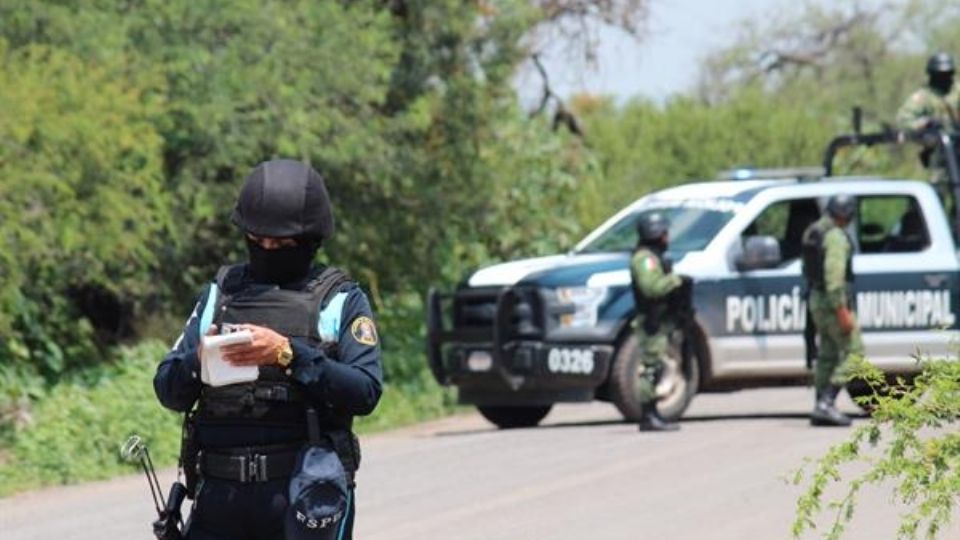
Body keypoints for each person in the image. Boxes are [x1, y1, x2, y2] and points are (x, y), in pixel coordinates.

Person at [154, 159, 383, 540]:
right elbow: (167, 388)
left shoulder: (340, 300)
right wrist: (200, 360)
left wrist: (287, 354)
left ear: (310, 241)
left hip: (303, 498)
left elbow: (364, 391)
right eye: (256, 241)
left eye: (280, 244)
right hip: (219, 501)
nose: (266, 250)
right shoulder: (219, 294)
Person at [800, 194, 863, 427]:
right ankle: (827, 402)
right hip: (831, 303)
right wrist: (842, 310)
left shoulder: (814, 231)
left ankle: (820, 405)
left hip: (816, 300)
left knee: (827, 354)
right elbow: (834, 277)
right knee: (855, 353)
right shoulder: (835, 237)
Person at [630, 212, 689, 432]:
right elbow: (651, 288)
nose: (667, 236)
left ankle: (653, 413)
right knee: (651, 368)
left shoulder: (653, 256)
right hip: (651, 320)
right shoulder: (644, 259)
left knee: (658, 365)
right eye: (664, 231)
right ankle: (648, 414)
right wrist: (675, 281)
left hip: (660, 319)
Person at [895, 52, 958, 133]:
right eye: (940, 75)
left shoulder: (957, 91)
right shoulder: (923, 96)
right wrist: (925, 123)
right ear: (932, 75)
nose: (944, 78)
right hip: (936, 142)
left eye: (947, 74)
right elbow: (902, 121)